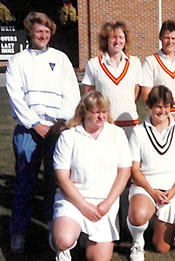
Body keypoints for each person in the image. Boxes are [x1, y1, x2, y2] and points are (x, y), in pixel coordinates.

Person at [5, 11, 80, 254]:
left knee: (54, 182)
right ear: (29, 32)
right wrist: (35, 123)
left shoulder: (61, 59)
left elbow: (72, 94)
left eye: (47, 31)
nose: (43, 35)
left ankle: (52, 225)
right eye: (39, 31)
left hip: (57, 130)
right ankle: (18, 232)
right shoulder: (18, 61)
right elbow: (15, 97)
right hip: (28, 130)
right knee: (25, 184)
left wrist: (60, 124)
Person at [50, 91, 131, 260]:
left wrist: (107, 204)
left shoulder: (117, 134)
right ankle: (60, 247)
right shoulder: (68, 136)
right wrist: (84, 206)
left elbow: (124, 172)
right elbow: (62, 177)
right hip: (73, 200)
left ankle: (83, 239)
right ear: (84, 112)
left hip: (104, 205)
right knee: (63, 239)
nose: (101, 117)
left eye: (104, 112)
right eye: (96, 112)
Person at [127, 86, 175, 260]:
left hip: (172, 190)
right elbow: (134, 168)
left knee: (162, 247)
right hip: (147, 188)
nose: (162, 111)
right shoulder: (138, 131)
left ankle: (160, 224)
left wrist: (174, 188)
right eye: (158, 106)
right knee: (138, 215)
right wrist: (152, 191)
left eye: (166, 106)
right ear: (148, 106)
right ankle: (137, 243)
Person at [82, 21, 143, 138]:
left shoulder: (135, 63)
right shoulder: (94, 64)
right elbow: (88, 94)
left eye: (121, 37)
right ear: (106, 40)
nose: (117, 41)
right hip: (103, 124)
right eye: (113, 37)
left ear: (126, 40)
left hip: (129, 123)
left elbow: (136, 90)